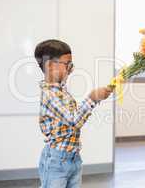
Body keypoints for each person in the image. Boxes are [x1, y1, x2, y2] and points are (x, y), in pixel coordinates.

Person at [35, 39, 113, 188]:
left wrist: (98, 97)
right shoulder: (50, 95)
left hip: (73, 158)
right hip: (57, 162)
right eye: (67, 64)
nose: (71, 69)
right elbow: (74, 121)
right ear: (50, 65)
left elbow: (74, 121)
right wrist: (92, 98)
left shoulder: (60, 90)